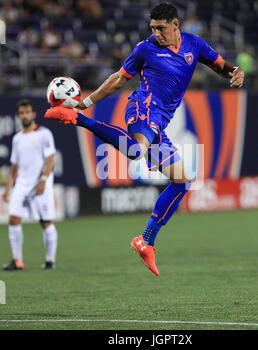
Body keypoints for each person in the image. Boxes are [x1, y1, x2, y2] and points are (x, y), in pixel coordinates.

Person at [45, 3, 244, 276]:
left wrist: (236, 71)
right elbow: (118, 79)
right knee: (136, 150)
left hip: (160, 123)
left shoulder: (194, 45)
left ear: (176, 25)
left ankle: (146, 240)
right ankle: (76, 120)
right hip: (142, 107)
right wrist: (84, 105)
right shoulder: (145, 49)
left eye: (160, 28)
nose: (156, 33)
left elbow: (221, 66)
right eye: (152, 28)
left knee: (182, 181)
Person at [2, 99, 58, 270]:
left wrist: (43, 180)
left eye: (27, 112)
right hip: (22, 184)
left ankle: (50, 259)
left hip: (40, 183)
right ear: (18, 116)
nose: (24, 115)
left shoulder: (44, 134)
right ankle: (18, 260)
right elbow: (14, 166)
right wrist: (8, 188)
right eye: (21, 113)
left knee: (45, 221)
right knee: (13, 219)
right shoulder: (17, 138)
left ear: (33, 114)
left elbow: (50, 160)